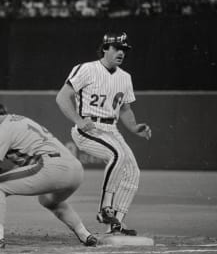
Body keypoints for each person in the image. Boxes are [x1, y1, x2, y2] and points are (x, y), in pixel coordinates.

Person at [0, 96, 98, 249]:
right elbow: (28, 158)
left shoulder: (4, 129)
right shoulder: (18, 120)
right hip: (75, 170)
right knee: (48, 200)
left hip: (53, 168)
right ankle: (86, 236)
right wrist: (8, 170)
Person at [56, 32, 152, 236]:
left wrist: (134, 128)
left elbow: (125, 109)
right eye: (117, 48)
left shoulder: (125, 77)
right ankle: (105, 209)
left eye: (124, 50)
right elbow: (62, 97)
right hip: (88, 128)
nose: (121, 53)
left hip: (111, 129)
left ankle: (115, 224)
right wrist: (79, 121)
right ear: (105, 49)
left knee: (132, 172)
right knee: (118, 154)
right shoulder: (86, 69)